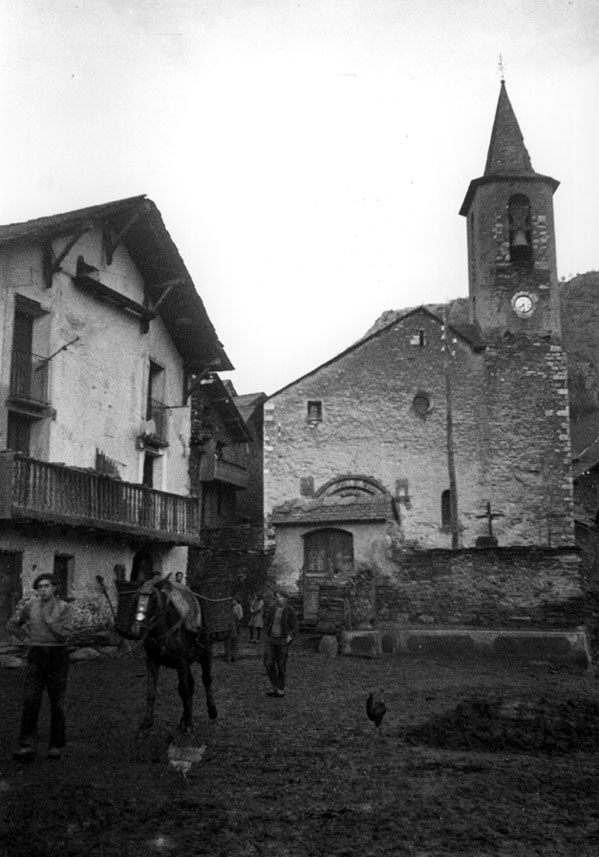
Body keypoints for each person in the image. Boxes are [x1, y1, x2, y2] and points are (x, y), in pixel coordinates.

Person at [6, 572, 75, 760]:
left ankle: (55, 745)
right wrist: (27, 638)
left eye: (47, 586)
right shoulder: (30, 606)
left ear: (55, 588)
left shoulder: (65, 608)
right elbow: (11, 624)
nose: (43, 590)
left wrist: (49, 619)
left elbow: (65, 635)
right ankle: (27, 744)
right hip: (36, 656)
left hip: (57, 657)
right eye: (40, 587)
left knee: (57, 703)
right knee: (30, 700)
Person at [262, 590, 298, 698]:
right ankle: (274, 685)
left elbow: (295, 627)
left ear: (286, 599)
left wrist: (289, 636)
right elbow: (267, 622)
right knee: (268, 663)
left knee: (281, 666)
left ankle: (280, 688)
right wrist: (266, 633)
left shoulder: (290, 611)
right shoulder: (272, 609)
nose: (278, 599)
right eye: (277, 597)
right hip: (271, 640)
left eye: (281, 597)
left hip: (282, 641)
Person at [224, 596, 243, 662]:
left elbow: (240, 616)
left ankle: (233, 656)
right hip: (230, 625)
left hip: (234, 624)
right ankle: (229, 657)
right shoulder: (232, 607)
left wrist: (236, 623)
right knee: (229, 641)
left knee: (233, 641)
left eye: (233, 600)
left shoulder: (238, 607)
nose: (232, 601)